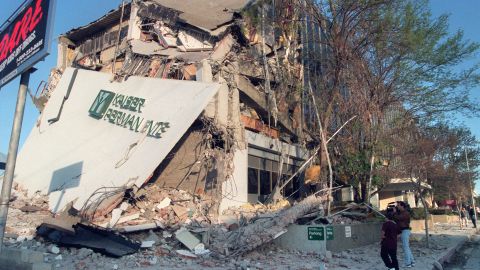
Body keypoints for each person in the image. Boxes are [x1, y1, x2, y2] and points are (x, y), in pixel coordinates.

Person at [394, 201, 415, 268]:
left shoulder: (405, 213)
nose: (397, 206)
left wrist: (394, 213)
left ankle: (408, 263)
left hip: (405, 231)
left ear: (402, 206)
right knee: (407, 247)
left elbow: (398, 218)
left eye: (398, 205)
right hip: (404, 231)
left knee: (405, 247)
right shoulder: (402, 213)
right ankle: (412, 262)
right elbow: (398, 220)